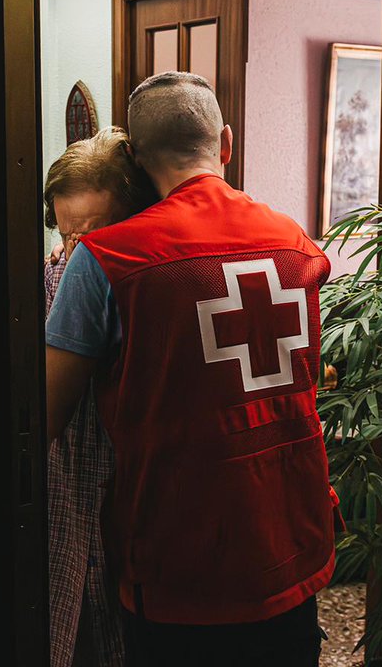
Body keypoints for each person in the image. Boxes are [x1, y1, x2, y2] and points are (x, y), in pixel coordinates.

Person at [45, 72, 338, 666]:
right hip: (289, 540)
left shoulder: (107, 260)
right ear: (225, 143)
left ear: (131, 155)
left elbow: (38, 418)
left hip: (181, 557)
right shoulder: (297, 242)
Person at [43, 127, 157, 667]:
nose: (75, 254)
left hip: (137, 512)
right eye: (67, 236)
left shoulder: (155, 290)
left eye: (94, 235)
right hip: (65, 509)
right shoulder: (42, 284)